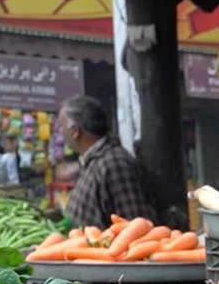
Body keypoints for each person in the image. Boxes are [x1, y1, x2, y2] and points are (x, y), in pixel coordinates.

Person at [58, 95, 156, 228]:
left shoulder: (113, 163)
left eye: (62, 127)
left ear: (75, 131)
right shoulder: (94, 162)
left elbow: (136, 225)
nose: (61, 132)